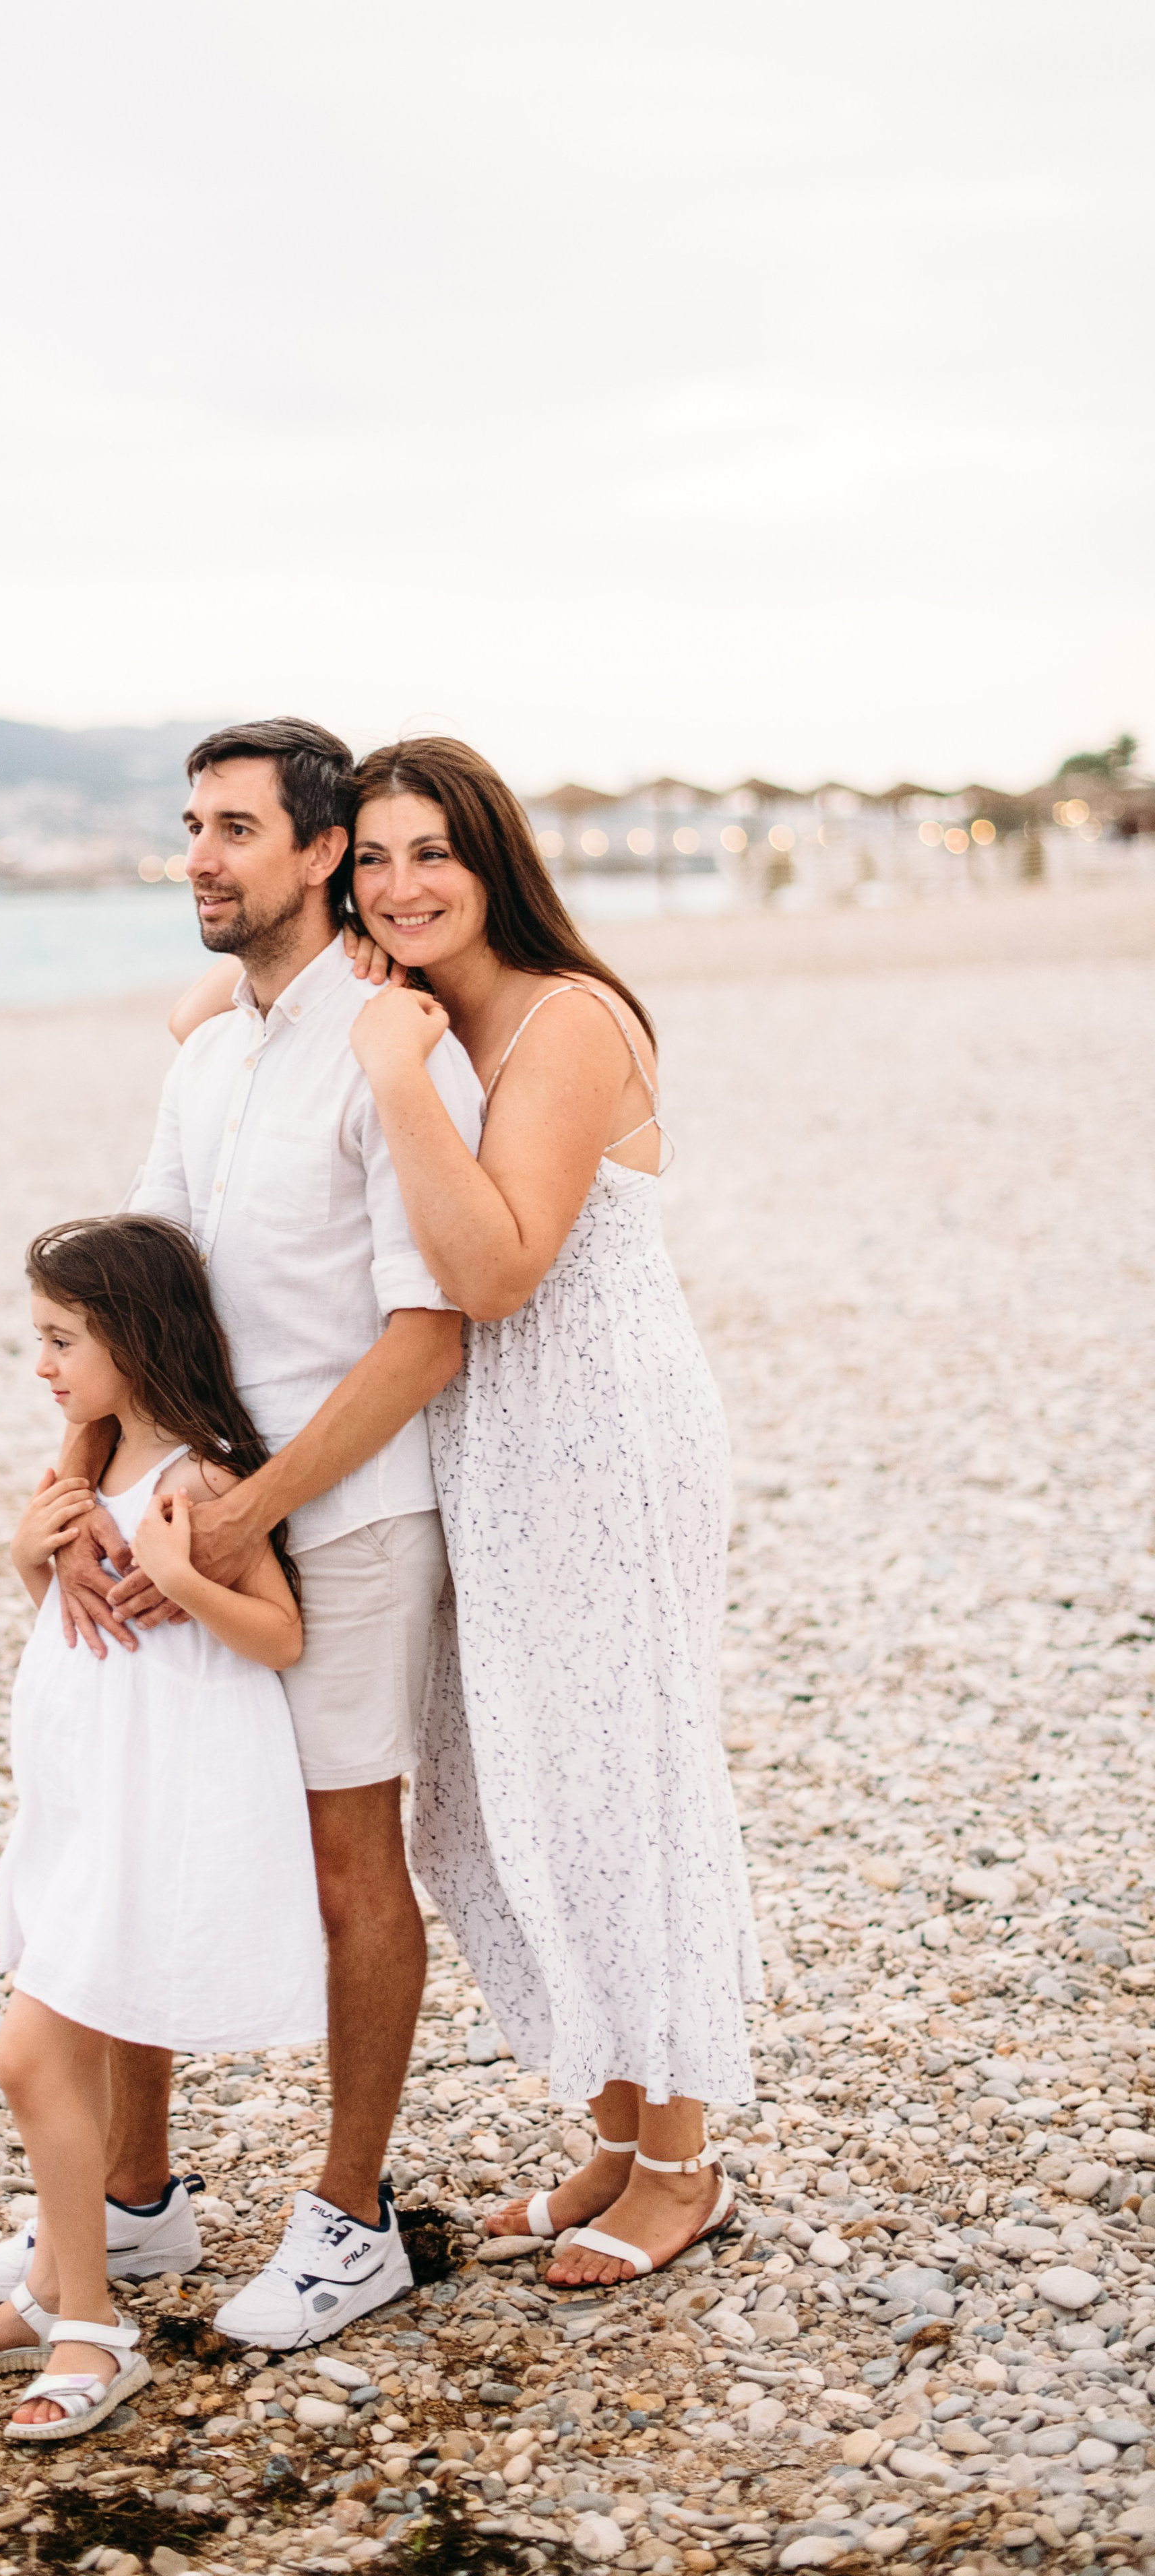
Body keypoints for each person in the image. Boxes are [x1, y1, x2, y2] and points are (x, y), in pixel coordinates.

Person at [0, 717, 485, 2349]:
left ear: (323, 852)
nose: (200, 854)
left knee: (345, 1865)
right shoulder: (206, 1056)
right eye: (191, 823)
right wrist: (74, 1490)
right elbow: (127, 1296)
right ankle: (139, 2198)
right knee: (127, 1818)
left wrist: (247, 1504)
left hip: (349, 1518)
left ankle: (350, 2218)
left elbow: (429, 1329)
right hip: (175, 1502)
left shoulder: (398, 1047)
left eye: (236, 828)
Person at [336, 737, 761, 2287]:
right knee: (483, 1791)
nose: (399, 886)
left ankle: (682, 2161)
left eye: (428, 852)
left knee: (616, 1779)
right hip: (480, 1449)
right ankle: (608, 2122)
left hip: (599, 1440)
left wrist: (391, 1075)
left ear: (490, 856)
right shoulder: (427, 1009)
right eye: (370, 859)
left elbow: (498, 1268)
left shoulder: (566, 1019)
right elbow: (201, 1014)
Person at [0, 1214, 325, 2433]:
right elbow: (74, 1627)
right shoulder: (84, 1478)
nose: (42, 1364)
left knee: (29, 2053)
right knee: (67, 2049)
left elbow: (278, 1636)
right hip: (83, 1795)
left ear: (136, 1339)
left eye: (61, 1338)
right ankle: (50, 2292)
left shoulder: (196, 1477)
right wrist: (33, 1558)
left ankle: (92, 2327)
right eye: (38, 1337)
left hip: (157, 1807)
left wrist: (185, 1574)